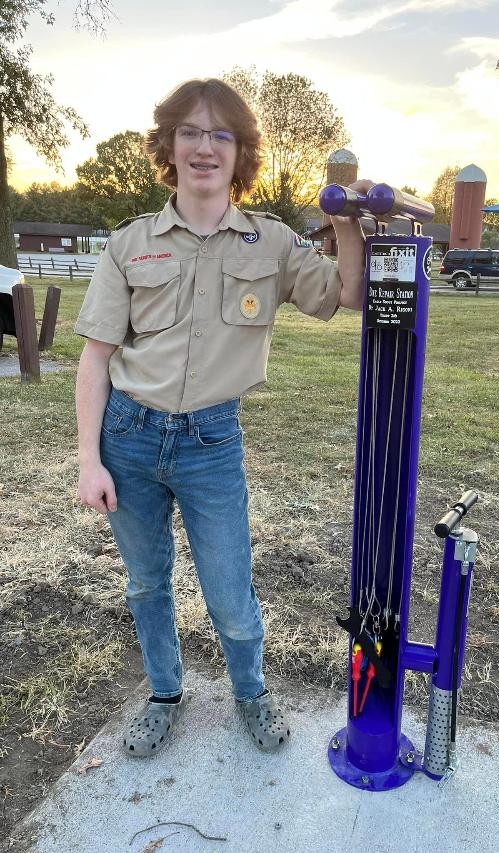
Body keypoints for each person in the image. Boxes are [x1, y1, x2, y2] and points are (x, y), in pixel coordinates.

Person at [74, 78, 367, 756]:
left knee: (230, 590)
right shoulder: (130, 244)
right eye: (191, 133)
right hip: (130, 437)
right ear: (170, 147)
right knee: (147, 581)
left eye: (221, 134)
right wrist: (90, 461)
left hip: (211, 442)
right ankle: (164, 693)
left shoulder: (270, 243)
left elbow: (347, 292)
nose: (205, 147)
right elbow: (95, 360)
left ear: (241, 153)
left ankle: (250, 691)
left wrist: (347, 223)